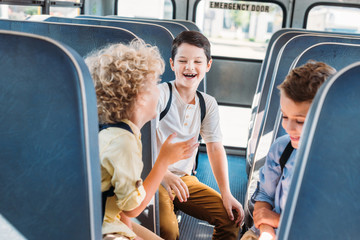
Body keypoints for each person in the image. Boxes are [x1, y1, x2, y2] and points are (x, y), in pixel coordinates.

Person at [85, 40, 199, 240]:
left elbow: (120, 202)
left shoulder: (118, 131)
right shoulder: (124, 142)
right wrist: (163, 161)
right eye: (154, 84)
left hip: (104, 217)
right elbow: (133, 209)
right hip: (100, 226)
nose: (159, 89)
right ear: (140, 97)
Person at [155, 30, 244, 240]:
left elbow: (214, 147)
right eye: (183, 61)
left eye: (197, 61)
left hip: (185, 179)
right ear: (172, 64)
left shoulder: (207, 104)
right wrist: (163, 174)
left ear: (208, 65)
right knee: (168, 231)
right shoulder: (159, 95)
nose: (190, 67)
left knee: (230, 218)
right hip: (154, 175)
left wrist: (226, 193)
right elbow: (137, 144)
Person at [241, 60, 336, 240]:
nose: (288, 127)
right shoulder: (282, 148)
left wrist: (279, 220)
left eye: (300, 121)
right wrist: (267, 230)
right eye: (285, 116)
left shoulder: (342, 165)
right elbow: (265, 195)